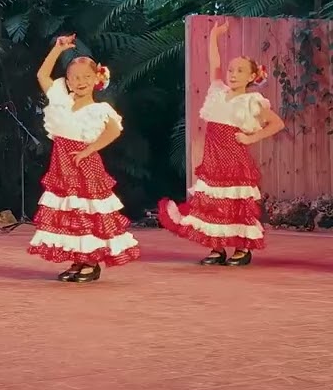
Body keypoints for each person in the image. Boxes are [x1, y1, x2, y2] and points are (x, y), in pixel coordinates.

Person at [159, 20, 284, 266]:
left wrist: (251, 137)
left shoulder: (252, 101)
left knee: (235, 201)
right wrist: (214, 36)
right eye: (232, 70)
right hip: (213, 157)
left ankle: (241, 247)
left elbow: (277, 123)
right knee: (213, 202)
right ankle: (216, 247)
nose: (233, 74)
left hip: (234, 157)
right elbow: (214, 64)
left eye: (240, 71)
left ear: (251, 76)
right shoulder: (218, 90)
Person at [26, 36, 139, 282]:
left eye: (86, 77)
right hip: (61, 163)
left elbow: (114, 131)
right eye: (75, 77)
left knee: (87, 210)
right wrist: (57, 49)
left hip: (84, 164)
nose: (81, 82)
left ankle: (91, 261)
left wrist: (89, 150)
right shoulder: (61, 101)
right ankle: (78, 259)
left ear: (97, 78)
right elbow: (42, 76)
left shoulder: (100, 110)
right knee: (71, 212)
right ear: (68, 81)